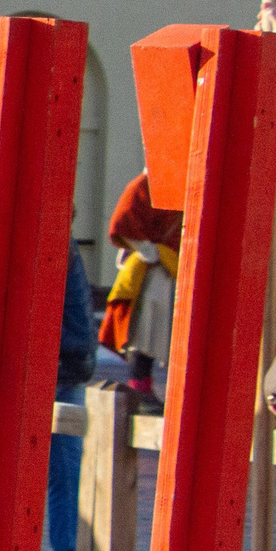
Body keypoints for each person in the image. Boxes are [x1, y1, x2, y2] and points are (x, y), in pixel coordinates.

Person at [43, 246, 98, 551]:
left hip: (58, 364)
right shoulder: (64, 245)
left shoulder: (52, 246)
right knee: (65, 472)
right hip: (69, 363)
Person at [103, 171, 180, 408]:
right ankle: (139, 387)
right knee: (143, 333)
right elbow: (124, 221)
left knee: (161, 332)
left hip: (171, 265)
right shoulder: (143, 184)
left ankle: (148, 387)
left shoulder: (178, 183)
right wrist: (149, 251)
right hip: (149, 268)